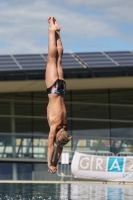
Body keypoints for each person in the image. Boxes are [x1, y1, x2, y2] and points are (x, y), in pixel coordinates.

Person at [45, 16, 71, 173]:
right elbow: (51, 146)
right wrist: (49, 163)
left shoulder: (64, 126)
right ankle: (51, 31)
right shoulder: (55, 125)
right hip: (53, 90)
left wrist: (55, 163)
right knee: (51, 59)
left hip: (61, 89)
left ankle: (58, 33)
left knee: (60, 60)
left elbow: (59, 146)